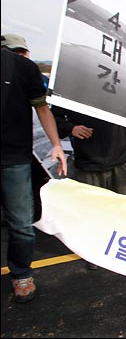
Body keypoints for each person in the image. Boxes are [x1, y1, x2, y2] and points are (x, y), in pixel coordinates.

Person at [1, 33, 68, 303]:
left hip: (15, 157)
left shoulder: (23, 68)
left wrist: (56, 144)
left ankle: (21, 274)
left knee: (21, 223)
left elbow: (42, 109)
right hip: (16, 157)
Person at [52, 84, 126, 271]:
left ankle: (120, 251)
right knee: (90, 213)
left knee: (123, 210)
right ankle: (93, 252)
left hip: (118, 159)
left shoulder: (121, 82)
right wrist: (71, 128)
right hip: (88, 161)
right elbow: (54, 117)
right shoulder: (74, 86)